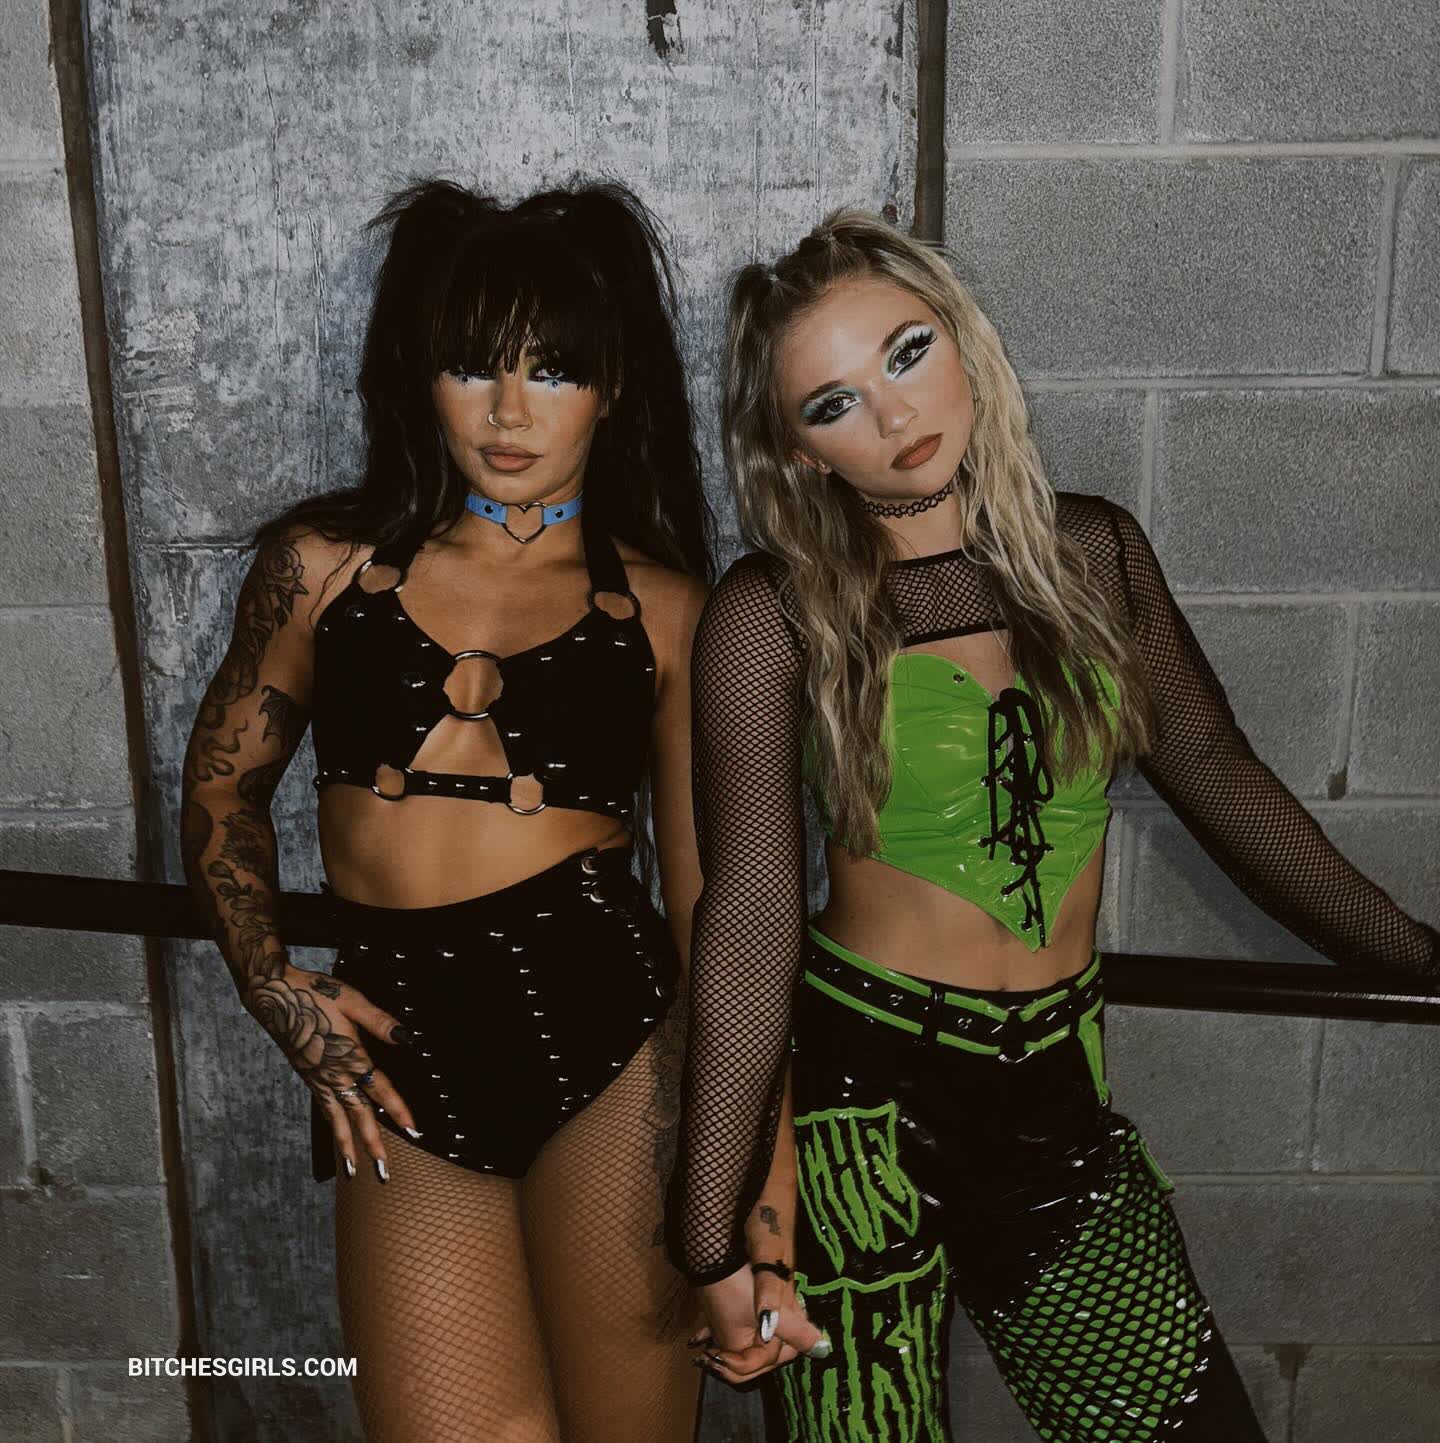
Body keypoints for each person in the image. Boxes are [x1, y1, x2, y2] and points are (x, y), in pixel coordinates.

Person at [666, 209, 1439, 1441]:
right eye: (836, 403)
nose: (895, 413)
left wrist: (1419, 955)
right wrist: (708, 1233)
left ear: (963, 339)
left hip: (1053, 1098)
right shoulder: (774, 612)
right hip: (863, 1103)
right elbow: (754, 913)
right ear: (799, 452)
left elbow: (1217, 776)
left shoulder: (1095, 552)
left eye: (908, 353)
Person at [182, 178, 712, 1443]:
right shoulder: (319, 567)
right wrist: (273, 987)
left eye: (553, 369)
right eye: (475, 365)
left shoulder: (669, 608)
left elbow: (715, 903)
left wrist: (755, 1154)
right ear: (422, 374)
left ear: (614, 386)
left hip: (615, 1046)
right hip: (401, 1058)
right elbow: (221, 788)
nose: (510, 410)